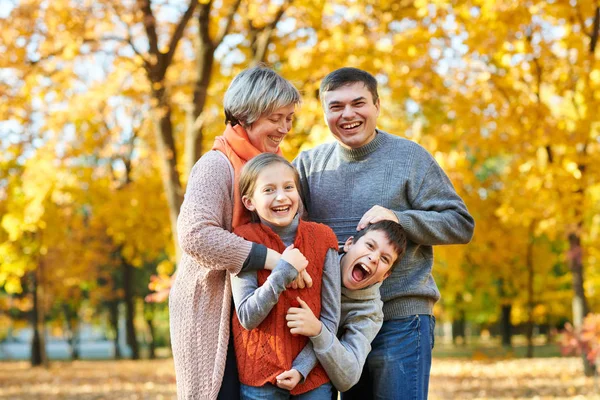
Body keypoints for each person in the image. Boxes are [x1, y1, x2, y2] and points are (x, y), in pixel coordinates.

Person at [293, 67, 475, 400]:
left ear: (377, 105)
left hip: (400, 321)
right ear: (324, 113)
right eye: (336, 106)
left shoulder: (410, 158)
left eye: (358, 103)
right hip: (337, 324)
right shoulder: (308, 165)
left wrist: (399, 219)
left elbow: (460, 223)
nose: (348, 114)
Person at [169, 65, 303, 400]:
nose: (285, 128)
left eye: (290, 118)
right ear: (247, 114)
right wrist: (274, 260)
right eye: (277, 118)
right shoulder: (217, 165)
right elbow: (195, 234)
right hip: (213, 312)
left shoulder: (273, 169)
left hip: (260, 312)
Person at [230, 153, 340, 399]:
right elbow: (247, 316)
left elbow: (331, 319)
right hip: (260, 377)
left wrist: (302, 368)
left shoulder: (323, 239)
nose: (281, 196)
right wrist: (282, 271)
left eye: (288, 187)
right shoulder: (242, 241)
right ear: (249, 202)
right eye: (268, 190)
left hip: (313, 377)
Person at [285, 220, 407, 393]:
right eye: (370, 246)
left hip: (312, 378)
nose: (373, 258)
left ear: (385, 276)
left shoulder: (369, 312)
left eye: (385, 259)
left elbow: (349, 376)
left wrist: (318, 331)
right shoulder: (317, 254)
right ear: (349, 244)